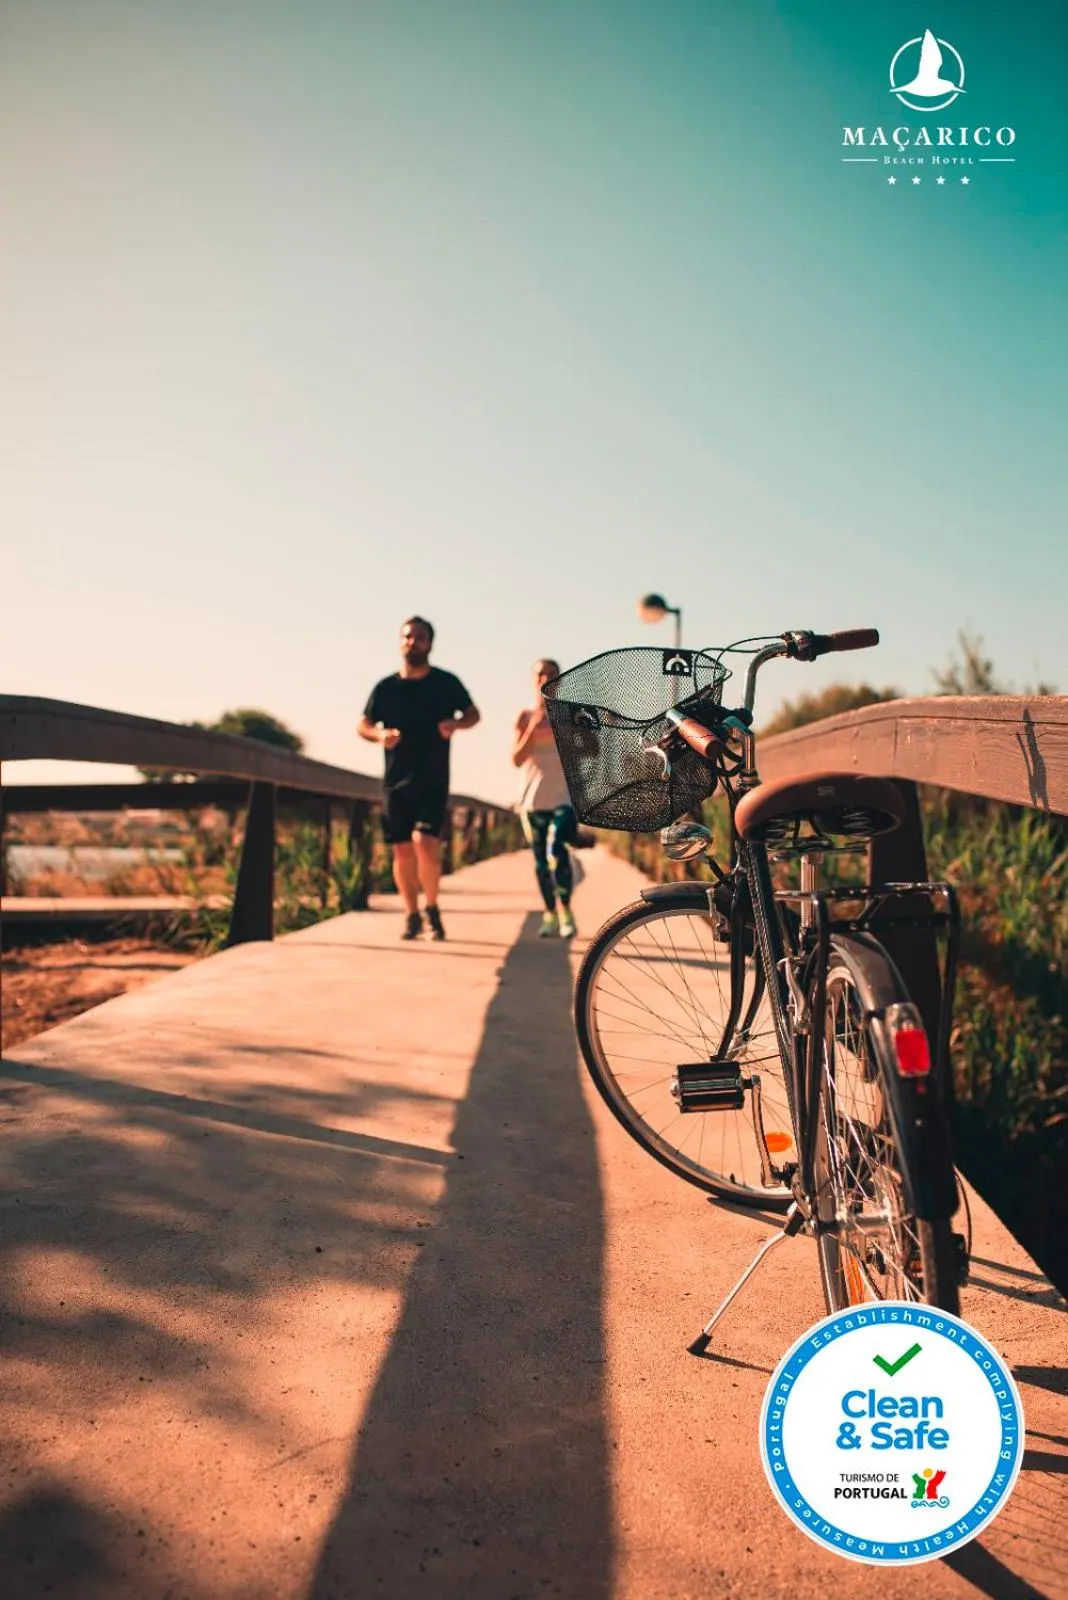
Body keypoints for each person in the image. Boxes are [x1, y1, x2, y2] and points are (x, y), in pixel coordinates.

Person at [359, 617, 480, 940]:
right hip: (395, 780)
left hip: (433, 778)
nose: (413, 642)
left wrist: (455, 725)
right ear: (401, 642)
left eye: (420, 637)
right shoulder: (386, 688)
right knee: (401, 851)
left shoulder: (445, 683)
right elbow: (363, 725)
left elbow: (473, 714)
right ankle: (411, 914)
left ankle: (432, 906)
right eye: (408, 637)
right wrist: (379, 734)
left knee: (425, 844)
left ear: (430, 643)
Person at [512, 658, 578, 938]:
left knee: (556, 853)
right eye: (540, 674)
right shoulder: (525, 716)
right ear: (533, 679)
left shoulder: (568, 715)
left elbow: (591, 752)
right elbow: (516, 759)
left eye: (551, 674)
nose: (545, 678)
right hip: (532, 800)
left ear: (559, 680)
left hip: (563, 797)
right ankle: (550, 913)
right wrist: (532, 728)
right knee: (540, 862)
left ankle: (566, 912)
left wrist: (563, 731)